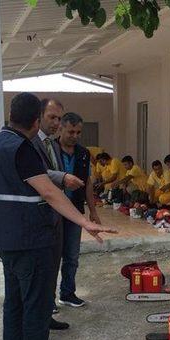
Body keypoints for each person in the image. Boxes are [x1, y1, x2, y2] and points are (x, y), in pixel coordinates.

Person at [0, 93, 114, 340]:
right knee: (37, 305)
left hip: (6, 238)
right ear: (36, 120)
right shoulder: (22, 148)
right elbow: (50, 193)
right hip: (31, 239)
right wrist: (83, 221)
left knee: (14, 301)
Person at [32, 98, 84, 323]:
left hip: (65, 212)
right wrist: (63, 178)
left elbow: (86, 182)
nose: (56, 122)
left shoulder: (54, 146)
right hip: (45, 214)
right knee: (46, 264)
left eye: (58, 118)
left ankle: (59, 299)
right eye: (51, 117)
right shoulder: (31, 143)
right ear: (39, 116)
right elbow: (41, 174)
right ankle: (46, 305)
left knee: (64, 259)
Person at [50, 112, 101, 309]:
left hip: (76, 212)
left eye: (78, 132)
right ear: (61, 128)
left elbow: (87, 182)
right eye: (71, 131)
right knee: (53, 257)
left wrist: (93, 211)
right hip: (53, 212)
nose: (75, 135)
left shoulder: (83, 153)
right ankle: (49, 300)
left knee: (72, 256)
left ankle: (68, 293)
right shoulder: (50, 150)